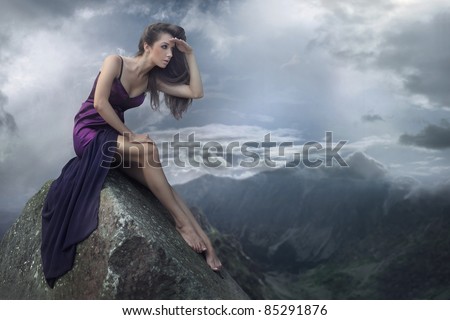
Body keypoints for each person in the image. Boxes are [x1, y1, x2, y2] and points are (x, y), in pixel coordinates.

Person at [41, 22, 222, 288]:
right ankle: (182, 225)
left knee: (161, 185)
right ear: (147, 45)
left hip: (114, 138)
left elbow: (196, 92)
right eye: (164, 47)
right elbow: (101, 104)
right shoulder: (115, 62)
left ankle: (205, 241)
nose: (170, 55)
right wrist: (130, 135)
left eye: (173, 51)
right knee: (148, 149)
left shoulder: (153, 80)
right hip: (89, 133)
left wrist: (191, 54)